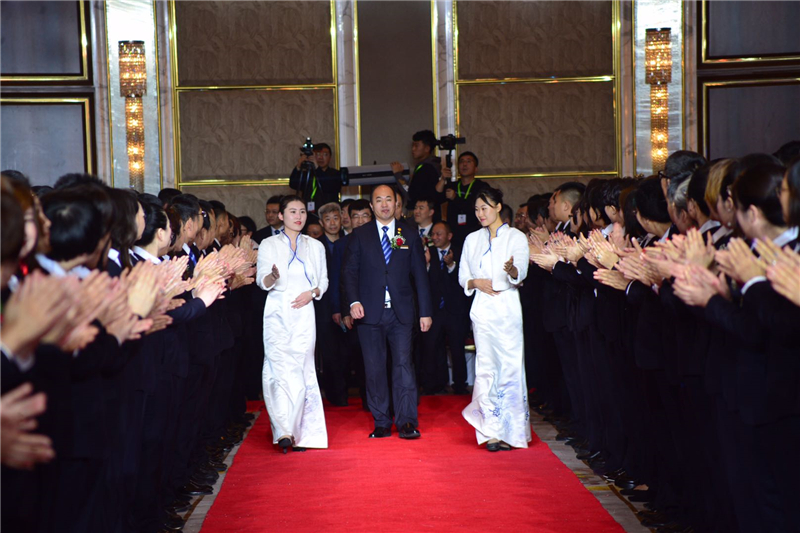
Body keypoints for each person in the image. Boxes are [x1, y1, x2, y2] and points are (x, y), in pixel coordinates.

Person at [342, 184, 432, 439]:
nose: (384, 204)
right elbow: (349, 272)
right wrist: (353, 302)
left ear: (396, 204)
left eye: (388, 199)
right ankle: (381, 421)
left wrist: (425, 311)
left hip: (401, 313)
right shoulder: (360, 235)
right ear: (372, 206)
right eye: (379, 200)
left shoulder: (409, 233)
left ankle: (406, 421)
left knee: (403, 366)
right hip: (369, 313)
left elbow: (420, 276)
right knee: (374, 368)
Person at [458, 186, 530, 451]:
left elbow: (521, 271)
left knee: (510, 367)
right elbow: (463, 275)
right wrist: (475, 282)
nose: (480, 213)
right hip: (483, 310)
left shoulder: (516, 237)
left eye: (485, 208)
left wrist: (512, 270)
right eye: (477, 209)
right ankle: (490, 431)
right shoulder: (472, 239)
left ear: (498, 207)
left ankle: (511, 431)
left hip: (507, 308)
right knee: (486, 368)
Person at [256, 196, 328, 452]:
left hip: (304, 314)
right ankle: (283, 430)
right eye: (293, 211)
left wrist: (313, 293)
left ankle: (300, 430)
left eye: (302, 212)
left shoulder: (315, 246)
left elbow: (323, 281)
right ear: (281, 216)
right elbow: (261, 281)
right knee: (277, 370)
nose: (298, 216)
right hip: (277, 312)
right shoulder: (268, 244)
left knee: (301, 369)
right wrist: (272, 276)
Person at [420, 221, 471, 395]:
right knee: (432, 348)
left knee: (457, 349)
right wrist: (426, 264)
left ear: (449, 236)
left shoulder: (460, 252)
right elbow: (422, 281)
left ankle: (460, 385)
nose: (435, 237)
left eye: (439, 234)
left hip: (455, 310)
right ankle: (434, 385)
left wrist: (451, 265)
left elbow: (463, 281)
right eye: (433, 234)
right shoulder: (428, 253)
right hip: (434, 310)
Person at [391, 130, 442, 216]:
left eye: (416, 145)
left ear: (427, 148)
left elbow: (410, 194)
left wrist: (398, 175)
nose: (413, 149)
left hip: (421, 215)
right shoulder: (429, 165)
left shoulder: (426, 168)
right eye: (413, 145)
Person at [289, 143, 341, 217]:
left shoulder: (335, 174)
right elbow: (293, 184)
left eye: (325, 155)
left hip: (328, 214)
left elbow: (327, 186)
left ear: (330, 157)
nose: (321, 158)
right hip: (308, 213)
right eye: (318, 154)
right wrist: (299, 166)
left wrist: (317, 168)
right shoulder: (308, 173)